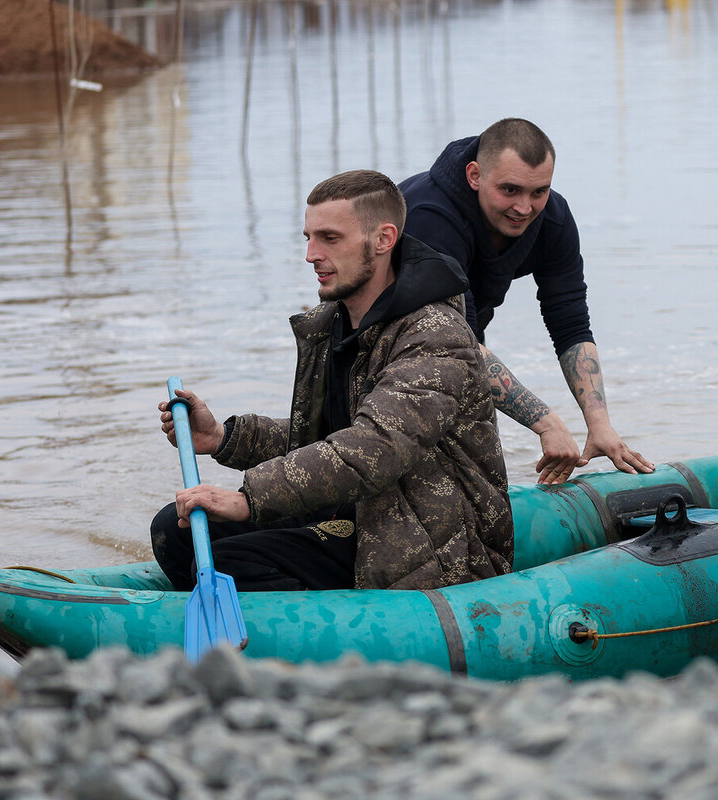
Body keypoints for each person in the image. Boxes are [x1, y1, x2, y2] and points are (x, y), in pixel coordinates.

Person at [151, 169, 513, 593]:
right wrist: (222, 437)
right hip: (355, 511)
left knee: (228, 562)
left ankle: (305, 644)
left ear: (383, 240)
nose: (310, 254)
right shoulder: (333, 324)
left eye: (329, 238)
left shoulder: (435, 334)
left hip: (431, 541)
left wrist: (249, 500)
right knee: (173, 531)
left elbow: (375, 447)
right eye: (308, 237)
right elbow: (323, 439)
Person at [399, 118, 655, 485]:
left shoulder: (552, 217)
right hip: (382, 355)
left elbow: (569, 320)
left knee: (483, 483)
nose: (525, 207)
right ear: (474, 176)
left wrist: (599, 425)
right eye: (510, 190)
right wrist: (546, 422)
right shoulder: (430, 216)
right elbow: (457, 344)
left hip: (461, 347)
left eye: (539, 191)